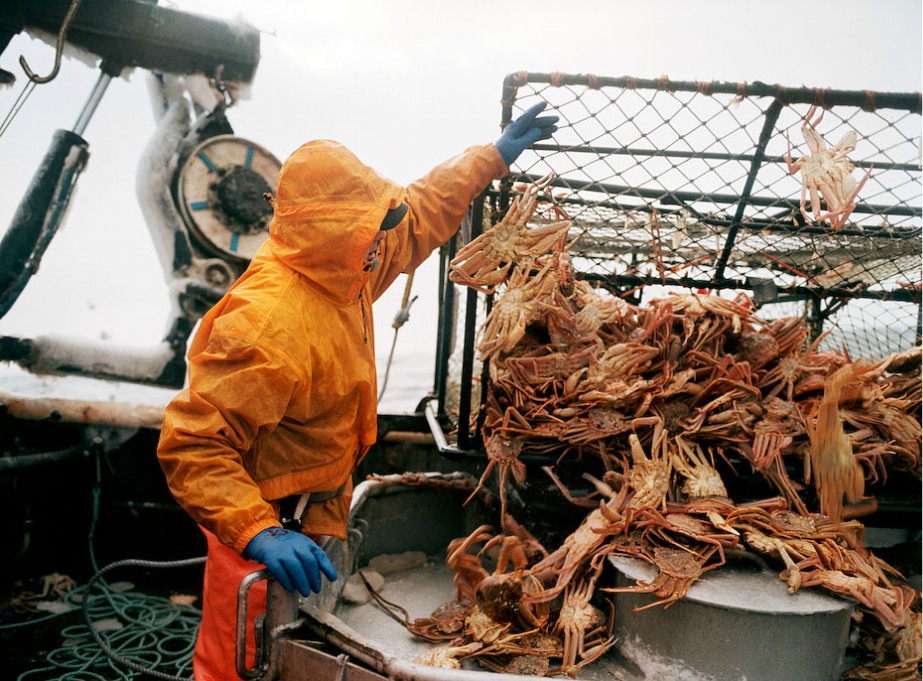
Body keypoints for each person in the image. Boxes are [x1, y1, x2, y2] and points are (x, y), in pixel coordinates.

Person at [156, 101, 559, 680]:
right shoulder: (265, 324)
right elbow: (192, 445)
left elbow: (419, 213)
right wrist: (256, 531)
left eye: (378, 226)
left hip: (320, 508)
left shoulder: (347, 266)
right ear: (332, 232)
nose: (382, 243)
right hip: (262, 525)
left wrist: (490, 158)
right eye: (370, 230)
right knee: (239, 665)